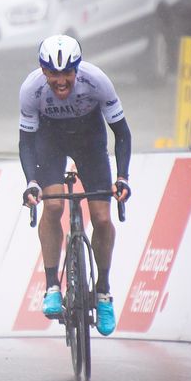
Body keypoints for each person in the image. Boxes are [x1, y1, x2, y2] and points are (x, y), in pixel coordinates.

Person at [19, 34, 132, 337]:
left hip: (89, 141)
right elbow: (27, 142)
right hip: (50, 141)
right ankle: (52, 285)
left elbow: (121, 133)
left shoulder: (97, 81)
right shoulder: (31, 89)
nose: (60, 80)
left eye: (67, 72)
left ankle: (104, 292)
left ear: (77, 69)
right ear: (43, 71)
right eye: (53, 73)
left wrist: (122, 177)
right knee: (53, 204)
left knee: (103, 218)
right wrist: (32, 182)